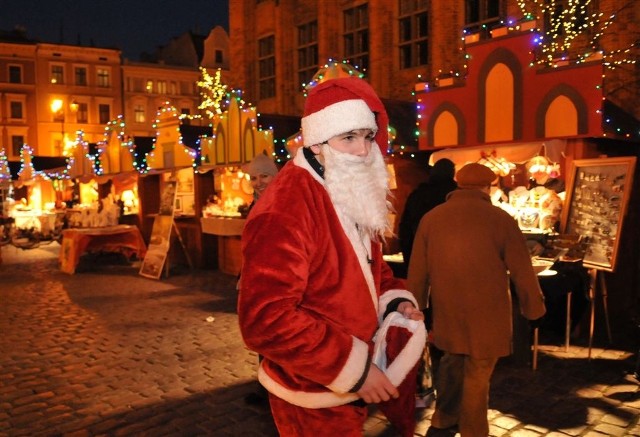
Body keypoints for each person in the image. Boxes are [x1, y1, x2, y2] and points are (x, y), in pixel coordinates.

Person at [238, 77, 426, 436]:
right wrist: (355, 369)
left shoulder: (341, 188)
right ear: (319, 143)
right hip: (310, 393)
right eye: (349, 137)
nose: (363, 150)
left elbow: (370, 271)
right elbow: (266, 319)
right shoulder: (285, 207)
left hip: (343, 387)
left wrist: (393, 303)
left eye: (368, 137)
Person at [407, 162, 546, 437]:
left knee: (451, 363)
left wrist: (415, 305)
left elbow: (418, 270)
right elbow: (522, 268)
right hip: (488, 312)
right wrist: (534, 307)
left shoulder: (433, 218)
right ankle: (473, 430)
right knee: (478, 373)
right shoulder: (500, 219)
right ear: (488, 186)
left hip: (448, 310)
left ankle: (444, 418)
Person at [240, 152, 279, 405]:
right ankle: (266, 387)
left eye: (264, 175)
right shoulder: (256, 203)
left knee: (277, 335)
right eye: (253, 178)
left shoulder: (283, 200)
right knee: (262, 336)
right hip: (256, 278)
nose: (258, 182)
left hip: (277, 278)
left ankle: (277, 390)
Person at [398, 158, 457, 274]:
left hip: (419, 252)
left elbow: (405, 227)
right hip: (450, 257)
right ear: (452, 173)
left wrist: (408, 257)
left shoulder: (418, 194)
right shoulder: (456, 195)